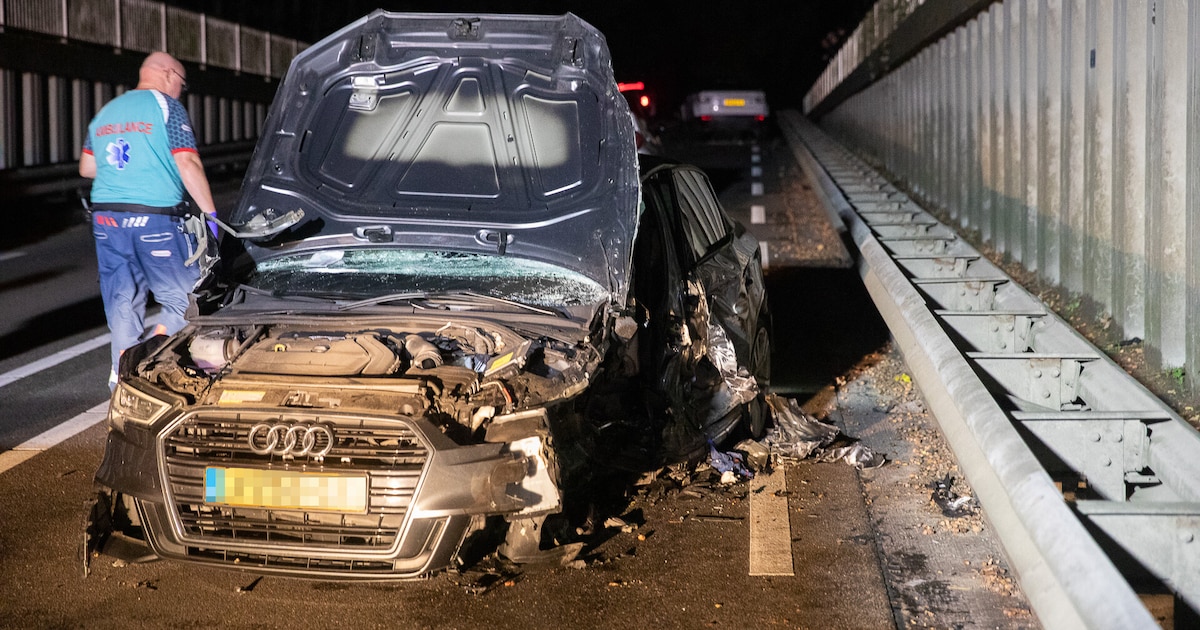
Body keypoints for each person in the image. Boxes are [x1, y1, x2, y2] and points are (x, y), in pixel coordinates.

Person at [79, 51, 217, 391]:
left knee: (122, 301)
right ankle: (157, 348)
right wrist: (211, 216)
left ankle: (121, 378)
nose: (181, 91)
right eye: (182, 84)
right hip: (155, 217)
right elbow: (187, 164)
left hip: (107, 219)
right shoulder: (167, 108)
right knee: (186, 299)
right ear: (169, 75)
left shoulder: (107, 111)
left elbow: (88, 167)